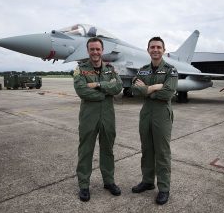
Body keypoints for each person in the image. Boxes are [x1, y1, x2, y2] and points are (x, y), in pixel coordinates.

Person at [73, 37, 123, 202]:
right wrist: (105, 93)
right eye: (92, 49)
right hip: (89, 116)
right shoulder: (80, 70)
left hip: (108, 116)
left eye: (97, 49)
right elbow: (82, 91)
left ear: (102, 51)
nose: (95, 52)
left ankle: (109, 181)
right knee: (85, 150)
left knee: (107, 149)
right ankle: (84, 185)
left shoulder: (110, 68)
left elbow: (118, 87)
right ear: (88, 51)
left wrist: (99, 85)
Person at [131, 37, 178, 205]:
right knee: (147, 149)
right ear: (148, 50)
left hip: (162, 114)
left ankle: (164, 188)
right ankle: (148, 181)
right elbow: (134, 91)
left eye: (159, 47)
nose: (155, 49)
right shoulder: (143, 70)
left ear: (163, 50)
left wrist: (146, 90)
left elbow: (168, 93)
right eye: (152, 47)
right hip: (146, 113)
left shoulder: (170, 70)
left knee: (162, 151)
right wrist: (156, 87)